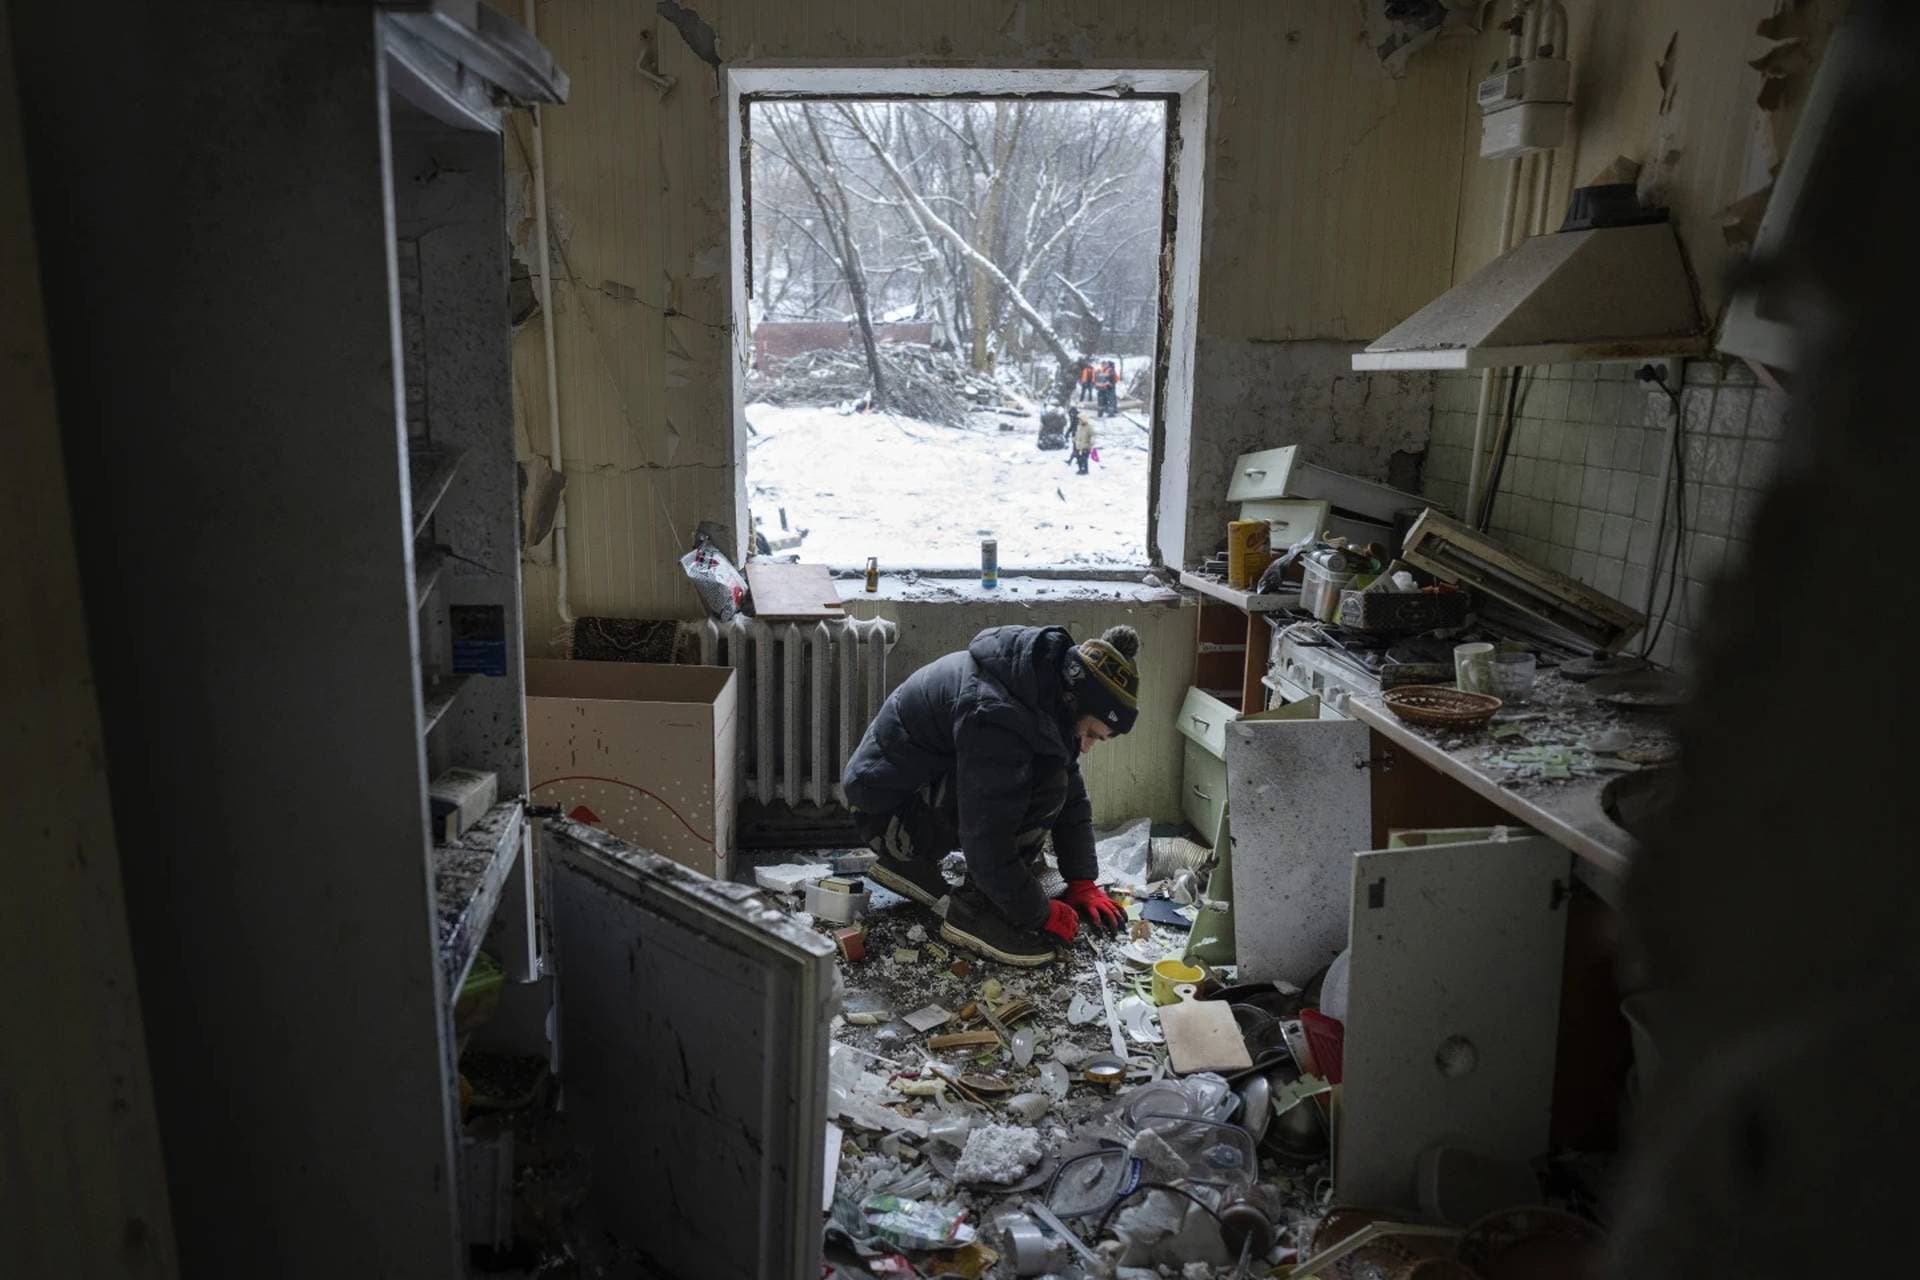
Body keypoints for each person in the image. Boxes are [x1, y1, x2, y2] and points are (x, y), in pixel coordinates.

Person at [842, 624, 1142, 965]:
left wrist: (1082, 880)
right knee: (1044, 785)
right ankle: (973, 913)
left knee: (1051, 772)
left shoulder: (1041, 688)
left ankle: (913, 866)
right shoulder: (996, 715)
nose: (1086, 747)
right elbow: (988, 839)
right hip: (887, 820)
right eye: (1091, 734)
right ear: (1075, 702)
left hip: (899, 796)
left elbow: (1074, 798)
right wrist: (1037, 912)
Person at [1072, 405, 1094, 475]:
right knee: (1078, 458)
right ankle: (1080, 469)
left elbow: (1092, 435)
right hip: (1078, 446)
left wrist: (1091, 443)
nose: (1079, 421)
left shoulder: (1088, 427)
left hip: (1085, 446)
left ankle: (1085, 470)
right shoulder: (1079, 426)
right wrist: (1074, 439)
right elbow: (1077, 434)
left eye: (1080, 419)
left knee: (1084, 459)